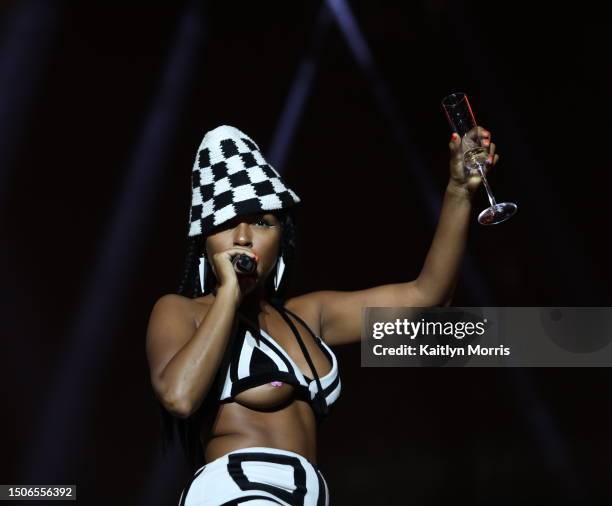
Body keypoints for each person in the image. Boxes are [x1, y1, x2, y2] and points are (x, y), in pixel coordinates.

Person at [145, 125, 499, 505]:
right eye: (227, 223)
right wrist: (229, 292)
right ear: (206, 241)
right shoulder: (182, 311)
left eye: (262, 222)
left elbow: (426, 298)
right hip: (238, 492)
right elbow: (179, 396)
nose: (244, 236)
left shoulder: (308, 316)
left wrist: (459, 191)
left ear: (282, 240)